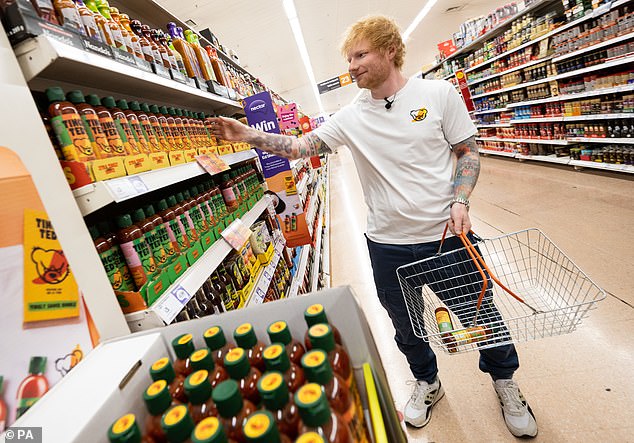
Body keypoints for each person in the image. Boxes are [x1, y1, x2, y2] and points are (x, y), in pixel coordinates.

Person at [208, 15, 537, 439]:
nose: (352, 66)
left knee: (480, 313)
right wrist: (247, 134)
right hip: (387, 245)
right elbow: (299, 146)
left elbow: (467, 152)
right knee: (405, 322)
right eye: (349, 58)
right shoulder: (350, 116)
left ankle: (505, 382)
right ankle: (427, 381)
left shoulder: (436, 94)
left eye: (360, 55)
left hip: (446, 237)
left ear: (389, 51)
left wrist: (460, 200)